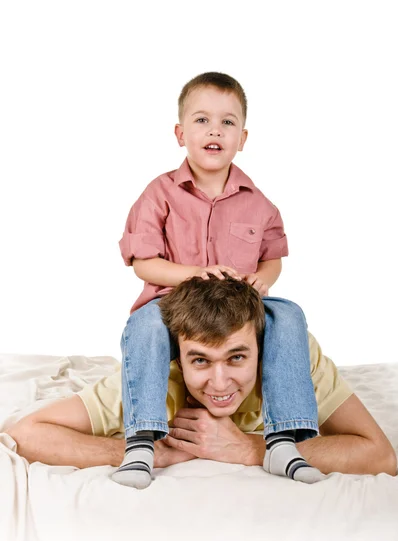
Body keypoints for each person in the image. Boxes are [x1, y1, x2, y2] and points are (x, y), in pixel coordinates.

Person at [114, 71, 323, 488]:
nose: (215, 130)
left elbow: (273, 257)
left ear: (242, 138)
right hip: (174, 306)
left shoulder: (258, 202)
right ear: (180, 132)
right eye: (202, 120)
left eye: (227, 122)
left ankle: (283, 439)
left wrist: (263, 281)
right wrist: (192, 273)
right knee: (143, 325)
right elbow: (143, 263)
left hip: (235, 311)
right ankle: (141, 442)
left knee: (289, 314)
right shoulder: (159, 193)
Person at [6, 275, 397, 479]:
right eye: (201, 362)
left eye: (237, 357)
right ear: (179, 357)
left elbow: (380, 454)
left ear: (263, 349)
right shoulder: (157, 377)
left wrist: (248, 449)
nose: (221, 382)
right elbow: (28, 433)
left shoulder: (292, 356)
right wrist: (144, 453)